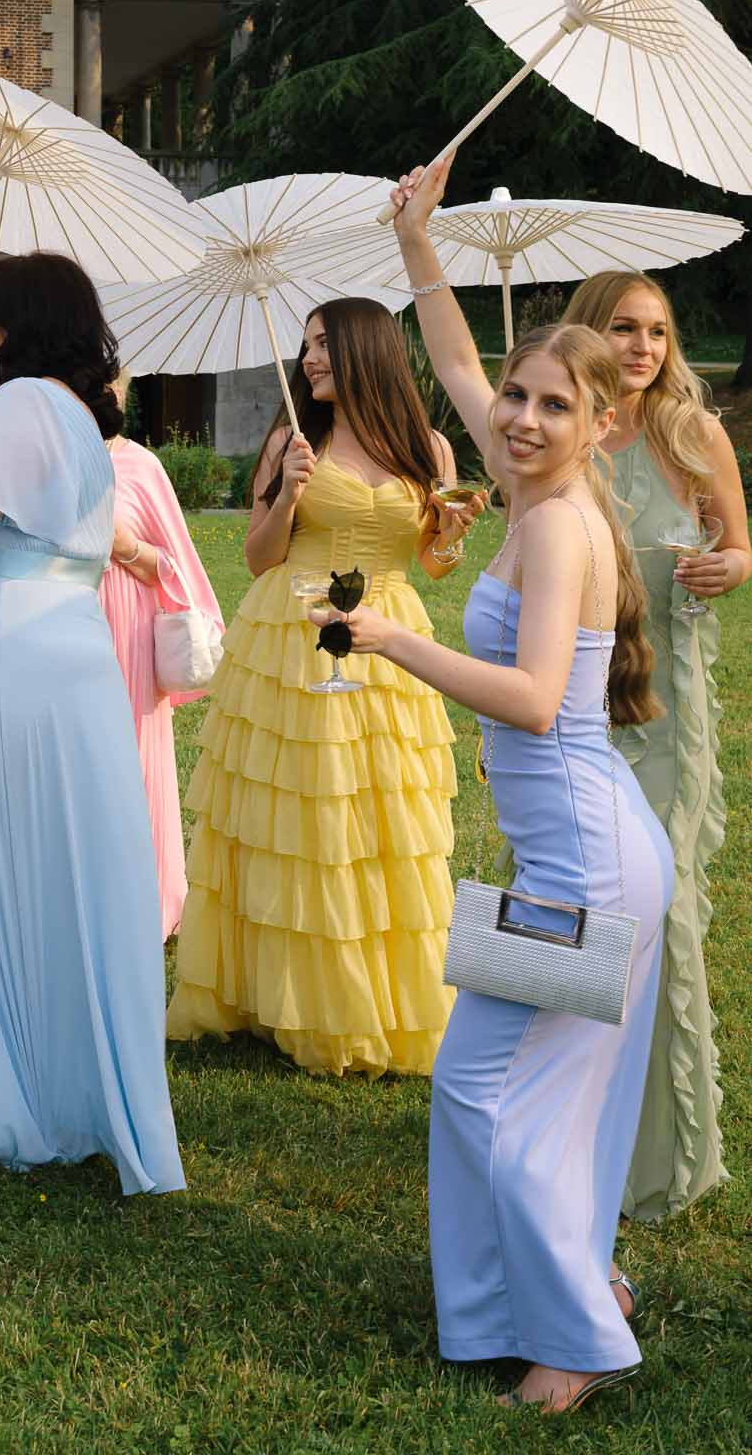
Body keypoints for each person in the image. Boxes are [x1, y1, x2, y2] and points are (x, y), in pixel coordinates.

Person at [359, 156, 673, 1411]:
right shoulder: (542, 485)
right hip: (585, 850)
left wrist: (396, 642)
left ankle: (577, 1334)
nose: (522, 418)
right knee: (548, 1088)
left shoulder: (555, 523)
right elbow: (451, 365)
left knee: (484, 1083)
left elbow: (540, 698)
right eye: (519, 397)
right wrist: (418, 245)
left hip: (583, 867)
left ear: (601, 423)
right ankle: (565, 1288)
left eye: (553, 405)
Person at [0, 252, 185, 1196]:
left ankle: (24, 1092)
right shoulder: (52, 408)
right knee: (12, 865)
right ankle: (23, 1073)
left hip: (6, 664)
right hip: (12, 658)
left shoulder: (26, 404)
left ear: (19, 323)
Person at [166, 298, 482, 1076]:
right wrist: (287, 494)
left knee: (383, 815)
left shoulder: (428, 446)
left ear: (368, 351)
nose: (310, 362)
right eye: (306, 349)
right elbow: (259, 557)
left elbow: (432, 563)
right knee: (298, 811)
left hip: (391, 636)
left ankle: (381, 996)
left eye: (324, 348)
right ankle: (276, 993)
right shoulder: (292, 440)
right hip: (294, 632)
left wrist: (450, 536)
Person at [562, 269, 748, 1219]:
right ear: (592, 334)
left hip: (667, 713)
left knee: (660, 909)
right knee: (579, 904)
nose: (643, 348)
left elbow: (743, 547)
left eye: (659, 332)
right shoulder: (569, 439)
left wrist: (729, 563)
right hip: (574, 707)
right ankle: (567, 1122)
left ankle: (661, 1147)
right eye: (626, 329)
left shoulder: (693, 434)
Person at [99, 384, 224, 938]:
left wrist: (125, 547)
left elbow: (181, 572)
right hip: (49, 633)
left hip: (122, 638)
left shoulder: (140, 465)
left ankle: (142, 901)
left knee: (128, 762)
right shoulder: (36, 461)